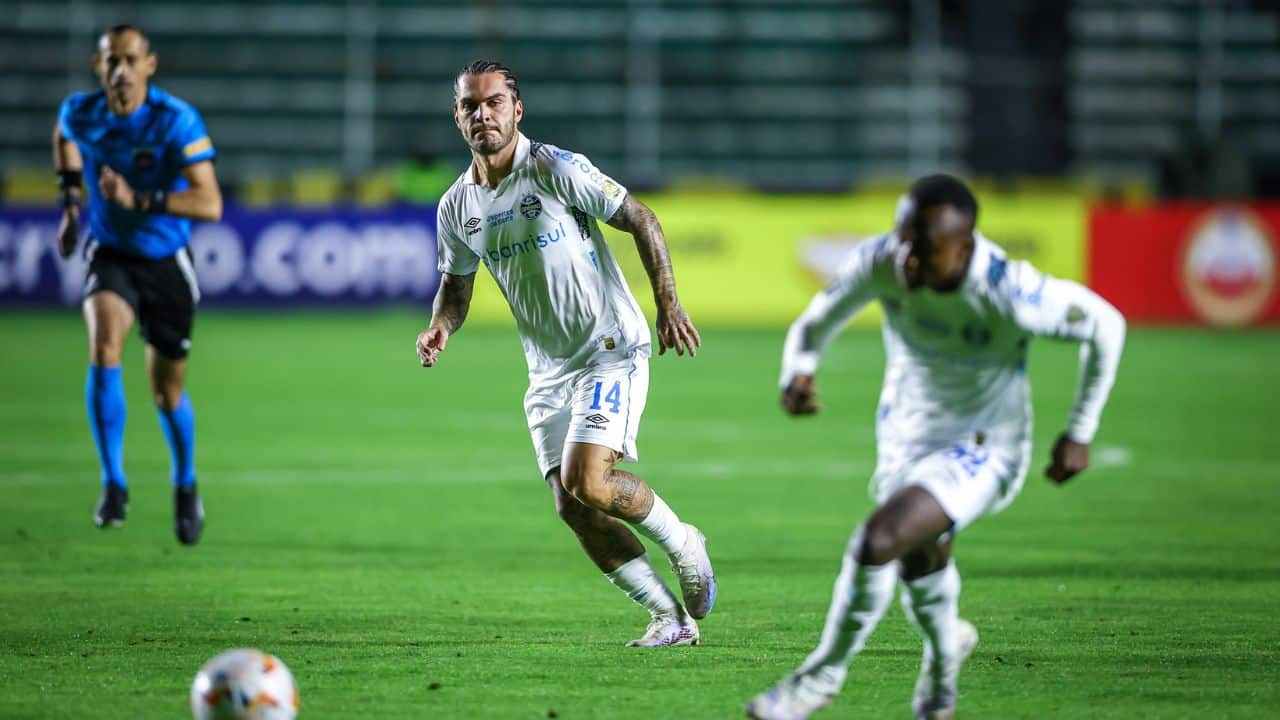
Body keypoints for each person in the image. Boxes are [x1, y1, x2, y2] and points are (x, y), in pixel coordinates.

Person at [746, 175, 1126, 719]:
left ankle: (819, 678)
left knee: (879, 539)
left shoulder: (1010, 290)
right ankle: (947, 659)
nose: (907, 259)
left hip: (984, 446)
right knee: (920, 557)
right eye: (903, 238)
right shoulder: (884, 259)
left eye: (923, 249)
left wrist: (1080, 430)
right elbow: (816, 321)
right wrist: (798, 372)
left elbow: (1106, 325)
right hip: (903, 437)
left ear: (964, 248)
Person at [415, 60, 715, 647]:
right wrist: (440, 326)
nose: (483, 115)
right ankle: (668, 618)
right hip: (548, 370)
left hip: (608, 348)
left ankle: (683, 541)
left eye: (494, 103)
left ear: (516, 109)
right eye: (470, 106)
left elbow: (641, 218)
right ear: (457, 117)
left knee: (590, 481)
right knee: (572, 507)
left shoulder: (553, 168)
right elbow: (456, 286)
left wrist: (669, 303)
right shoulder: (456, 207)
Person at [53, 24, 223, 545]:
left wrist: (139, 201)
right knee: (104, 346)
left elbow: (210, 204)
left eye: (129, 60)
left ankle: (185, 481)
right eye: (110, 61)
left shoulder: (175, 121)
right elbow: (65, 137)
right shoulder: (81, 112)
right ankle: (113, 481)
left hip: (166, 260)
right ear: (97, 65)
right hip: (112, 254)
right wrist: (71, 204)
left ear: (149, 65)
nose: (119, 70)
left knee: (166, 393)